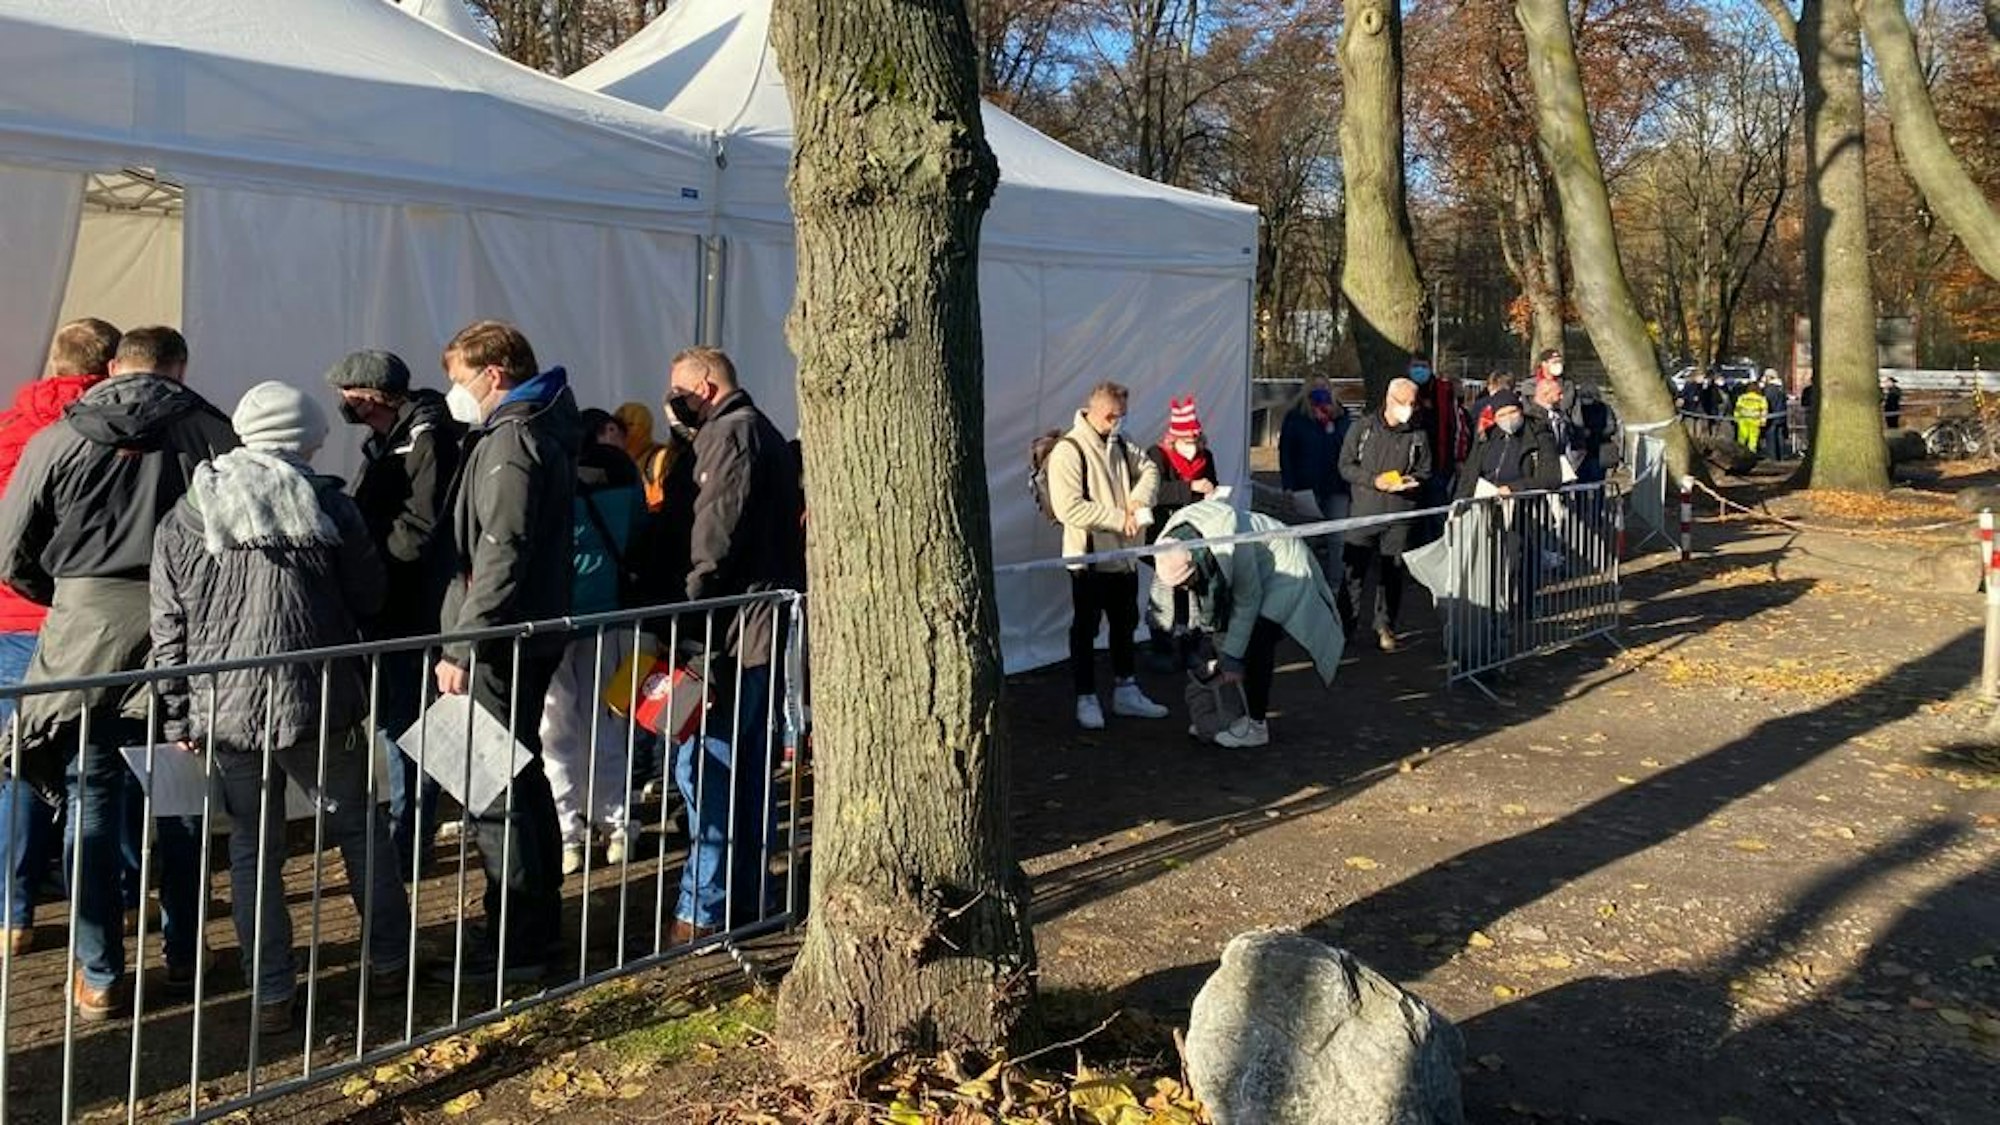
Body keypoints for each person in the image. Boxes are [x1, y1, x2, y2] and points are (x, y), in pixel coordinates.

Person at [149, 381, 412, 1035]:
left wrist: (178, 714)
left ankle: (271, 993)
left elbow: (168, 627)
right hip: (322, 696)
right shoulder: (327, 506)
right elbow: (370, 593)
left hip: (226, 706)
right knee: (359, 828)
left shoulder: (188, 511)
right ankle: (388, 961)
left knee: (252, 848)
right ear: (304, 438)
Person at [0, 326, 234, 1021]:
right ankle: (187, 955)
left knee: (90, 798)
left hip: (83, 633)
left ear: (115, 368)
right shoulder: (213, 433)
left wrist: (72, 601)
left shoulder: (60, 435)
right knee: (181, 796)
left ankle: (98, 971)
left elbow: (13, 550)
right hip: (186, 632)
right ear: (179, 366)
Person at [432, 320, 577, 982]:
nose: (454, 393)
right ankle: (527, 927)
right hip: (517, 629)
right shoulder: (524, 428)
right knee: (513, 778)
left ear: (494, 374)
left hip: (499, 638)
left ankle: (517, 941)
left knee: (493, 786)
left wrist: (464, 641)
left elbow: (501, 549)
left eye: (460, 379)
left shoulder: (513, 438)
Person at [666, 346, 806, 943]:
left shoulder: (734, 434)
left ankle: (705, 906)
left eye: (675, 388)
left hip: (733, 629)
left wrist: (691, 599)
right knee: (740, 767)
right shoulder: (752, 430)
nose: (669, 402)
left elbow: (715, 529)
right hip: (752, 624)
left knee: (709, 764)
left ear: (703, 386)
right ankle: (745, 895)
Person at [0, 318, 119, 954]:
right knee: (90, 775)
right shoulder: (108, 436)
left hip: (6, 622)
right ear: (109, 367)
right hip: (79, 624)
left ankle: (11, 914)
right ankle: (95, 923)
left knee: (15, 765)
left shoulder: (10, 429)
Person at [325, 349, 462, 883]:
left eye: (346, 393)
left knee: (412, 722)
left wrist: (371, 563)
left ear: (370, 394)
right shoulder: (389, 440)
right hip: (395, 606)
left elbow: (421, 524)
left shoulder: (427, 437)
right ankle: (409, 827)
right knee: (401, 720)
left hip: (415, 605)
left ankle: (412, 833)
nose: (341, 402)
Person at [1153, 498, 1344, 749]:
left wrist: (1231, 656)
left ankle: (1256, 725)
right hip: (1257, 569)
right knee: (1230, 646)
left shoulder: (1232, 546)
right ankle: (1227, 719)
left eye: (1186, 583)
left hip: (1285, 569)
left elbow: (1247, 601)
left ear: (1196, 566)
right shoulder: (1172, 544)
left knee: (1257, 643)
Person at [542, 409, 643, 876]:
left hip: (555, 616)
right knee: (608, 723)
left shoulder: (551, 473)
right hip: (614, 614)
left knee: (554, 728)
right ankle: (617, 826)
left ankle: (567, 833)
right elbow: (641, 536)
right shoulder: (625, 474)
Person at [1049, 381, 1169, 731]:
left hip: (1124, 553)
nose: (1117, 423)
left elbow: (1149, 469)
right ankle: (1086, 696)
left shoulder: (1122, 440)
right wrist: (1121, 518)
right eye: (1113, 417)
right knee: (1085, 627)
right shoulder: (1068, 450)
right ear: (1097, 411)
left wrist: (1139, 502)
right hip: (1087, 558)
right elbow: (1069, 507)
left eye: (1122, 417)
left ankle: (1126, 688)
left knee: (1125, 621)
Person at [1338, 377, 1431, 653]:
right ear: (1390, 400)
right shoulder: (1362, 428)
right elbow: (1345, 465)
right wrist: (1373, 480)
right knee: (1353, 573)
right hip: (1364, 513)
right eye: (1406, 403)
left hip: (1400, 515)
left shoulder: (1418, 434)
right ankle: (1345, 626)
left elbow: (1426, 470)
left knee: (1392, 574)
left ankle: (1385, 625)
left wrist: (1415, 481)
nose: (1410, 409)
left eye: (1414, 404)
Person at [1143, 397, 1219, 670]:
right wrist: (1189, 488)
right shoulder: (1157, 455)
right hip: (1162, 536)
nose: (1192, 443)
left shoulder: (1206, 457)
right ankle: (1161, 646)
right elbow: (1154, 492)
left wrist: (1212, 492)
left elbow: (1212, 485)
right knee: (1164, 589)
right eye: (1186, 437)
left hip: (1194, 535)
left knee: (1193, 590)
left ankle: (1190, 646)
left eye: (1195, 438)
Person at [1279, 380, 1352, 583]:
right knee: (1306, 538)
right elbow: (1286, 454)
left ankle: (1336, 585)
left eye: (1325, 388)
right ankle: (1305, 582)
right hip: (1306, 485)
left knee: (1337, 539)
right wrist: (1288, 485)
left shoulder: (1341, 416)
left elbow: (1348, 447)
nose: (1321, 392)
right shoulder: (1296, 418)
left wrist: (1330, 423)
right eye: (1315, 388)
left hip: (1337, 485)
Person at [1458, 392, 1561, 499]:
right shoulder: (1487, 438)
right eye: (1501, 415)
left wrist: (1514, 488)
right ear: (1495, 418)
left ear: (1521, 410)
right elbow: (1469, 474)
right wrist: (1458, 506)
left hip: (1526, 505)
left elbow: (1551, 478)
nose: (1508, 418)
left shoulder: (1541, 435)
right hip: (1489, 504)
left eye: (1512, 412)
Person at [1410, 354, 1469, 509]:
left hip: (1439, 459)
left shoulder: (1443, 390)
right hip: (1409, 461)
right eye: (1416, 366)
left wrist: (1458, 457)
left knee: (1436, 505)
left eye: (1423, 367)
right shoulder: (1403, 388)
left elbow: (1457, 425)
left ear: (1430, 368)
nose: (1419, 371)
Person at [1734, 378, 1769, 452]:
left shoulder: (1742, 397)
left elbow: (1737, 408)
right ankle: (1751, 454)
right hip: (1755, 420)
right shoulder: (1761, 399)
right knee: (1753, 439)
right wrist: (1763, 421)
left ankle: (1739, 453)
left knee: (1742, 437)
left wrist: (1736, 418)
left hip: (1743, 420)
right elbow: (1764, 410)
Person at [1760, 372, 1789, 460]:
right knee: (1779, 437)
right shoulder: (1781, 389)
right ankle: (1781, 456)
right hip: (1781, 417)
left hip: (1771, 417)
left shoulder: (1768, 390)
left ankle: (1773, 457)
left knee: (1771, 438)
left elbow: (1767, 403)